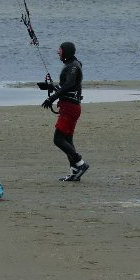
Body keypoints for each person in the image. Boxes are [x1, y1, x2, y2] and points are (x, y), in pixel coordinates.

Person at [41, 41, 89, 181]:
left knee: (58, 139)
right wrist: (52, 87)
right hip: (70, 107)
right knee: (67, 139)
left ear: (66, 52)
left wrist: (52, 98)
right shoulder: (71, 65)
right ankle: (74, 171)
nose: (58, 53)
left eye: (60, 50)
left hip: (70, 108)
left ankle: (80, 164)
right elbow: (67, 87)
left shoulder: (73, 66)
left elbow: (69, 85)